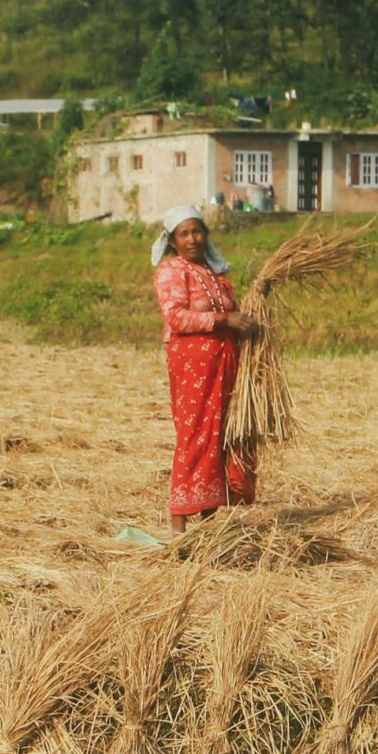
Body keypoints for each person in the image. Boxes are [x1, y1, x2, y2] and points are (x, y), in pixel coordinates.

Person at [151, 206, 258, 529]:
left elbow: (235, 313)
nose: (192, 239)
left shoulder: (215, 275)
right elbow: (176, 317)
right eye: (184, 234)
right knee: (195, 436)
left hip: (225, 362)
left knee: (221, 437)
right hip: (193, 366)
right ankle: (179, 526)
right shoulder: (171, 271)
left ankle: (208, 524)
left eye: (197, 231)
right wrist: (224, 320)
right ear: (172, 241)